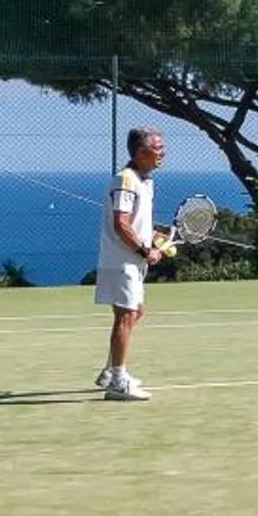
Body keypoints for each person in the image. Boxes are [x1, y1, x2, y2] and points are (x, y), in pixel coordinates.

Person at [95, 128, 168, 398]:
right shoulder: (125, 179)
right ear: (140, 152)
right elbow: (121, 224)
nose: (163, 153)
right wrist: (144, 250)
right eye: (158, 148)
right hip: (121, 262)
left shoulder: (145, 181)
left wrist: (154, 238)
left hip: (132, 262)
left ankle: (110, 370)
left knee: (136, 312)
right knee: (125, 317)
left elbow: (135, 223)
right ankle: (117, 381)